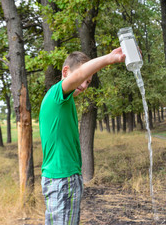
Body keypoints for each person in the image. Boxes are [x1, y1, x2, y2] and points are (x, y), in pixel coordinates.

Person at [39, 47, 125, 225]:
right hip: (62, 179)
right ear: (66, 71)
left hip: (65, 178)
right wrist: (109, 59)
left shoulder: (65, 101)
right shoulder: (57, 95)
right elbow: (76, 78)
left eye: (88, 82)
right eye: (83, 78)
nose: (85, 85)